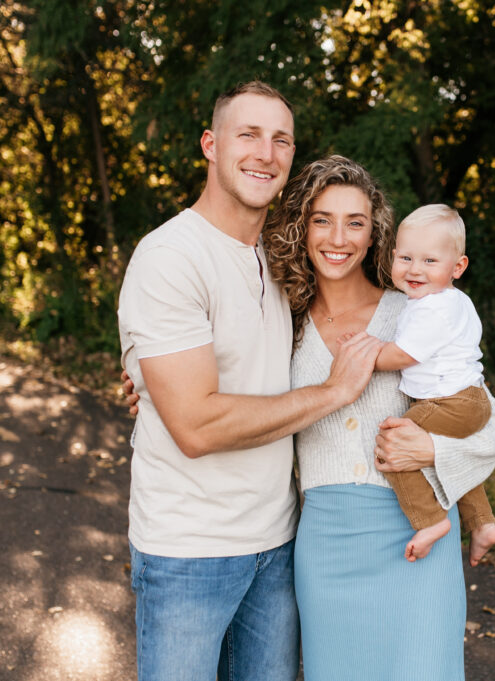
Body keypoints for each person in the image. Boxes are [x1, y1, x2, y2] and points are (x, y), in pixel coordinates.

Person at [116, 82, 385, 681]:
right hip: (189, 552)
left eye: (281, 139)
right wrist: (333, 394)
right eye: (249, 134)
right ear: (210, 145)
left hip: (279, 544)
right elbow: (194, 425)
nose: (266, 152)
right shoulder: (170, 257)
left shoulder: (281, 255)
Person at [263, 155, 495, 681]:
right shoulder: (279, 323)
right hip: (326, 541)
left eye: (355, 222)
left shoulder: (416, 309)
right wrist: (144, 383)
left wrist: (435, 451)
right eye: (321, 219)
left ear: (374, 235)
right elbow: (221, 384)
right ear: (301, 227)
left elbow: (494, 424)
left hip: (415, 537)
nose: (338, 237)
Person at [367, 204, 495, 564]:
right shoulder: (446, 301)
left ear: (457, 267)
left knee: (395, 442)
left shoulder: (434, 309)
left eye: (430, 261)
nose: (414, 269)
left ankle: (430, 521)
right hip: (466, 399)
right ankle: (482, 524)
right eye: (407, 258)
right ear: (393, 256)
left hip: (452, 402)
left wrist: (365, 354)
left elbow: (403, 355)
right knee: (452, 459)